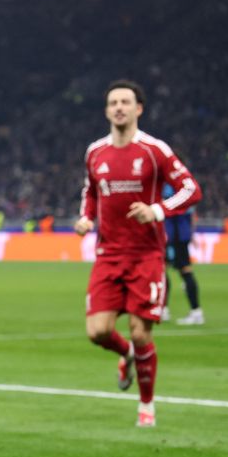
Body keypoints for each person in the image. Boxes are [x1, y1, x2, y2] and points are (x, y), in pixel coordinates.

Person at [74, 80, 201, 427]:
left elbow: (191, 188)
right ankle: (128, 354)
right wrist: (86, 218)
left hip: (146, 255)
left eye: (125, 102)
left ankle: (146, 406)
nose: (119, 107)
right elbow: (90, 192)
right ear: (106, 111)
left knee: (141, 332)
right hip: (107, 255)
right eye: (113, 102)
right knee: (97, 331)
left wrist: (157, 210)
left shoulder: (154, 150)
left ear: (138, 109)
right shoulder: (95, 152)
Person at [162, 182, 204, 325]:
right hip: (179, 233)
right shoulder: (185, 185)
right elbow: (191, 212)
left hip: (174, 235)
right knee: (164, 270)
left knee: (182, 271)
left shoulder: (171, 186)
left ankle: (195, 311)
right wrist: (191, 233)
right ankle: (164, 309)